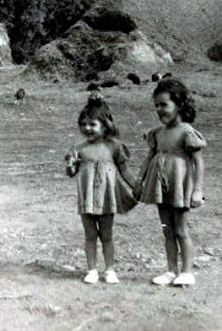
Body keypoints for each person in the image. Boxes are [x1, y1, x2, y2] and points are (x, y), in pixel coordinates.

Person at [133, 78, 206, 287]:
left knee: (181, 230)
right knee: (167, 230)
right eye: (156, 105)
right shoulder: (157, 133)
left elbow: (198, 162)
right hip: (160, 186)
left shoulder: (186, 132)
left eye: (164, 104)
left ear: (179, 104)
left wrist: (197, 190)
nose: (159, 109)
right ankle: (171, 270)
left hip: (179, 187)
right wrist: (139, 181)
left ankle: (187, 271)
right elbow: (149, 157)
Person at [64, 94, 138, 284]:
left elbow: (125, 171)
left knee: (107, 235)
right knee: (90, 236)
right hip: (87, 199)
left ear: (105, 125)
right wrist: (71, 165)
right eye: (83, 124)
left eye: (92, 124)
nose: (87, 128)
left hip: (106, 198)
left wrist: (138, 187)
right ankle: (92, 270)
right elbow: (71, 173)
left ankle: (110, 270)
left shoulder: (114, 147)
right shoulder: (78, 148)